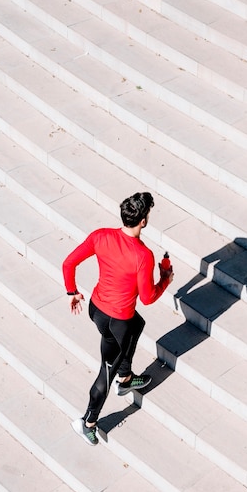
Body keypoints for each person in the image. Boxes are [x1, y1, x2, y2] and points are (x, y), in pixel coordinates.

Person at [62, 191, 174, 445]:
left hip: (96, 309)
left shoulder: (101, 236)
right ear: (143, 221)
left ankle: (125, 378)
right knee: (105, 371)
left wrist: (72, 291)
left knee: (139, 323)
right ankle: (88, 421)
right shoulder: (143, 255)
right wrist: (165, 279)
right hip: (116, 321)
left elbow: (68, 264)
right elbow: (147, 298)